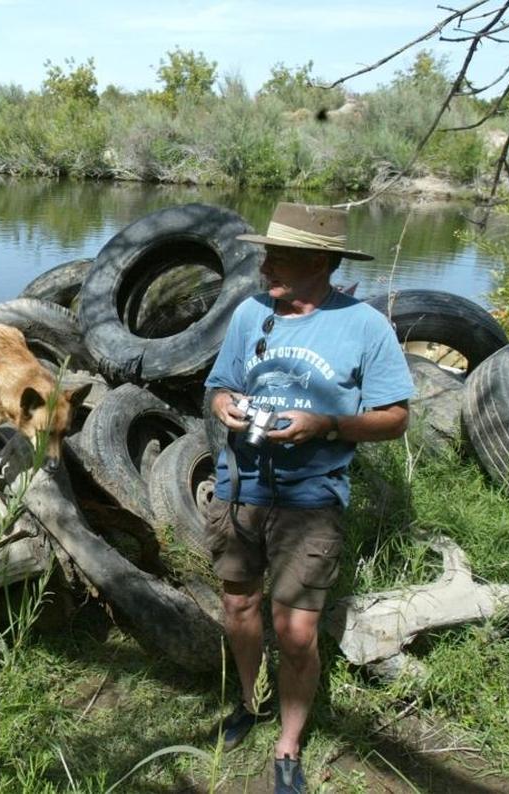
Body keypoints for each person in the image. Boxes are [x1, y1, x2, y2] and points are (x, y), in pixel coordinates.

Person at [203, 203, 413, 793]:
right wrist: (225, 406)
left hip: (312, 497)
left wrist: (323, 423)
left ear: (319, 262)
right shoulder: (250, 314)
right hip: (239, 488)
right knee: (240, 608)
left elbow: (395, 418)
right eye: (267, 252)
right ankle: (249, 702)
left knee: (295, 632)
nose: (264, 263)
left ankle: (288, 745)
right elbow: (220, 384)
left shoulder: (364, 326)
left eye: (280, 256)